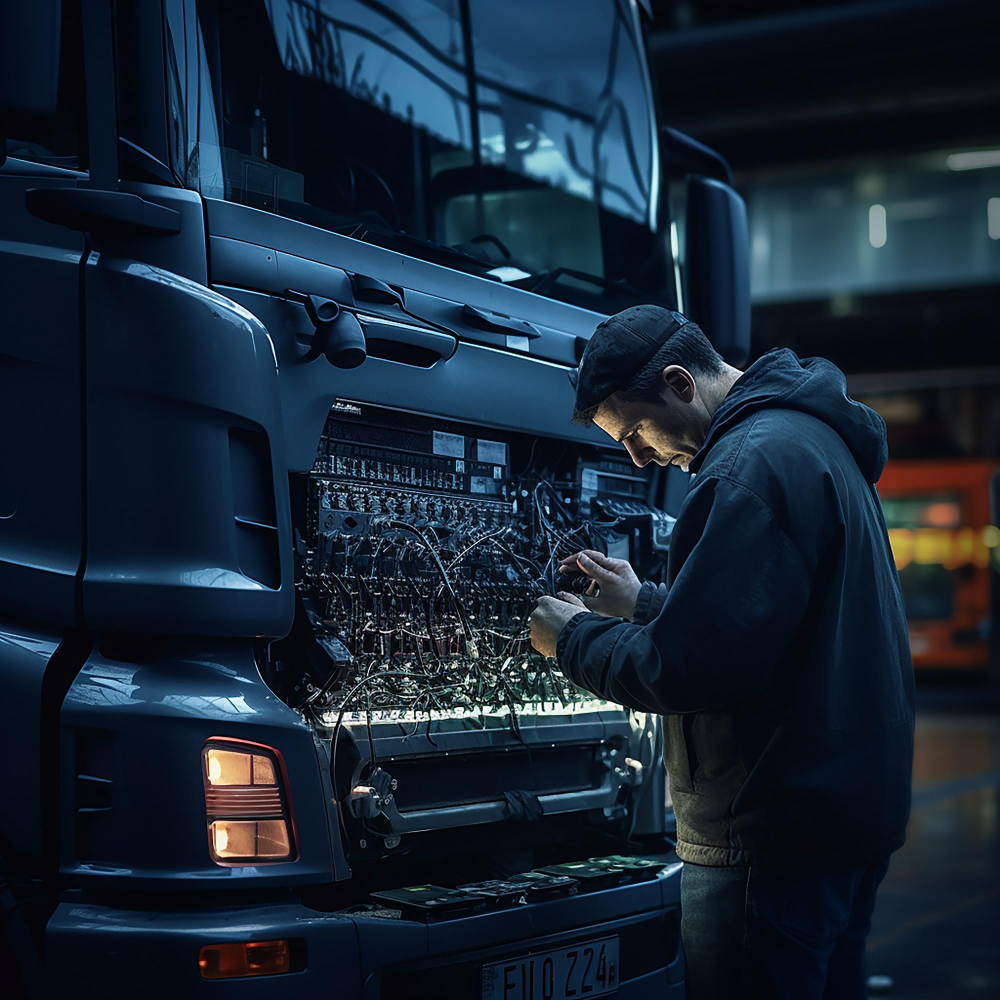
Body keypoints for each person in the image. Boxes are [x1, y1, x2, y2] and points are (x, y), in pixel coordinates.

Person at [529, 305, 914, 1000]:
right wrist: (647, 602)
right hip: (846, 821)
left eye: (638, 432)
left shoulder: (742, 466)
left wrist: (572, 637)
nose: (640, 458)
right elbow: (776, 625)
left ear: (680, 382)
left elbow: (683, 670)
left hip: (769, 839)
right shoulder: (809, 438)